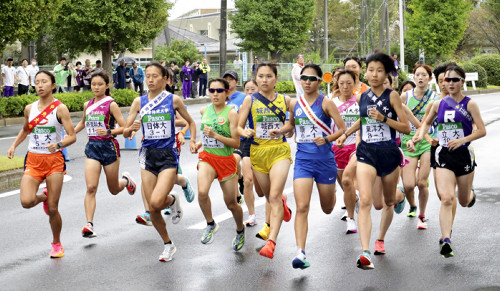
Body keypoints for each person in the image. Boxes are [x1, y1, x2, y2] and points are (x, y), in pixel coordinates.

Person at [337, 52, 411, 270]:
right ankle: (365, 251)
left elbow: (406, 127)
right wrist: (345, 133)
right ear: (365, 72)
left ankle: (397, 201)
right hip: (366, 153)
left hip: (388, 153)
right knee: (367, 201)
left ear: (386, 73)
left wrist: (385, 119)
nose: (374, 74)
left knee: (386, 202)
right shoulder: (362, 97)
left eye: (379, 70)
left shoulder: (393, 96)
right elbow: (362, 120)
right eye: (370, 69)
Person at [123, 62, 197, 262]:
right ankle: (168, 244)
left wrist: (191, 140)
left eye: (155, 76)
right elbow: (125, 131)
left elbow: (191, 122)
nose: (150, 79)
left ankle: (171, 200)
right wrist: (132, 129)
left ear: (165, 79)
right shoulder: (138, 102)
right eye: (148, 76)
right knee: (153, 208)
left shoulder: (173, 100)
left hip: (168, 155)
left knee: (156, 201)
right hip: (147, 155)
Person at [412, 65, 486, 258]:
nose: (450, 83)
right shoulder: (438, 104)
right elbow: (426, 123)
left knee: (462, 201)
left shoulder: (470, 104)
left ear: (462, 81)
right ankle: (446, 240)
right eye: (447, 80)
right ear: (443, 82)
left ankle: (470, 195)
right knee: (446, 198)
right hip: (443, 154)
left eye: (455, 80)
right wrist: (422, 136)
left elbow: (481, 130)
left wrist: (462, 140)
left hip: (463, 155)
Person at [277, 64, 346, 269]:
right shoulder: (295, 103)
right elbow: (292, 124)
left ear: (319, 81)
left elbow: (342, 129)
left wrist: (327, 139)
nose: (307, 81)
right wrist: (281, 131)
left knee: (327, 208)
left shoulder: (326, 103)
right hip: (303, 161)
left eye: (311, 78)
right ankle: (300, 252)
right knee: (302, 207)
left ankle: (333, 190)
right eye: (304, 78)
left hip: (325, 161)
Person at [7, 70, 76, 258]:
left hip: (54, 161)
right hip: (34, 160)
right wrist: (14, 145)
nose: (39, 85)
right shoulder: (30, 108)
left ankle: (56, 243)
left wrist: (59, 144)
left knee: (53, 209)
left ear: (53, 85)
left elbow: (72, 135)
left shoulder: (60, 109)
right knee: (26, 201)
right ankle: (43, 197)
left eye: (44, 82)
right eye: (37, 82)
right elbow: (25, 130)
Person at [237, 62, 293, 259]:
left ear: (276, 79)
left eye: (269, 76)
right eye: (260, 76)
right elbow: (238, 126)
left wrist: (282, 130)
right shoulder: (249, 100)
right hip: (257, 152)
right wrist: (244, 131)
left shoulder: (286, 100)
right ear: (256, 78)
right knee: (265, 195)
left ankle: (271, 241)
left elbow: (292, 125)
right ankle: (281, 204)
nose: (264, 80)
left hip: (279, 151)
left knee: (274, 196)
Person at [73, 71, 137, 238]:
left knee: (114, 189)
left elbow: (125, 128)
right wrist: (70, 133)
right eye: (93, 84)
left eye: (100, 84)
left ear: (107, 85)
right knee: (91, 187)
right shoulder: (88, 104)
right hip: (92, 147)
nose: (96, 87)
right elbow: (82, 122)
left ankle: (126, 181)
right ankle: (89, 224)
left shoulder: (111, 104)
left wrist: (109, 131)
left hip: (109, 147)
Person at [195, 78, 245, 250]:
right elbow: (205, 135)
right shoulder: (204, 110)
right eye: (212, 90)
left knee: (231, 204)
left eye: (219, 90)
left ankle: (240, 230)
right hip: (207, 158)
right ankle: (210, 223)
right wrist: (197, 144)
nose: (215, 94)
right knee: (202, 192)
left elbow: (236, 143)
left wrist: (216, 136)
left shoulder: (231, 113)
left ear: (226, 92)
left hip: (226, 160)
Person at [399, 64, 437, 228]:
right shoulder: (404, 97)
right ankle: (412, 204)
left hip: (428, 141)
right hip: (408, 141)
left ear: (430, 78)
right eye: (417, 75)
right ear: (413, 78)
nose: (420, 78)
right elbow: (399, 118)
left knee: (421, 183)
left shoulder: (435, 97)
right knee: (408, 185)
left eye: (424, 75)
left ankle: (422, 215)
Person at [331, 69, 361, 234]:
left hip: (355, 147)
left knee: (349, 181)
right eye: (342, 83)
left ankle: (350, 219)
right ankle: (354, 199)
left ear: (355, 84)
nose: (345, 86)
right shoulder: (332, 103)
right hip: (337, 148)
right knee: (344, 184)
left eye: (349, 83)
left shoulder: (359, 101)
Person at [223, 70, 247, 205]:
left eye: (231, 79)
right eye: (225, 79)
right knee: (230, 166)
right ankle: (239, 184)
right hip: (224, 138)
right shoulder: (220, 96)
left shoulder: (243, 97)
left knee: (233, 161)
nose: (228, 81)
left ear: (236, 82)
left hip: (239, 138)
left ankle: (238, 188)